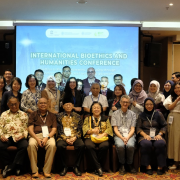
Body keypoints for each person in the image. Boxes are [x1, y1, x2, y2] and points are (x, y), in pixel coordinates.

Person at [27, 98, 57, 178]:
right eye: (41, 103)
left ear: (47, 105)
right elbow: (30, 129)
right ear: (37, 105)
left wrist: (46, 138)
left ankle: (46, 170)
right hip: (35, 135)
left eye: (44, 103)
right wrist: (37, 139)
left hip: (48, 136)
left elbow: (54, 129)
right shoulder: (33, 114)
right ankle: (34, 170)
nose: (43, 104)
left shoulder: (52, 115)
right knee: (31, 144)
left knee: (52, 145)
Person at [137, 97, 167, 175]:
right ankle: (147, 166)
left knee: (160, 144)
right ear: (144, 105)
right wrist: (145, 135)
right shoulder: (141, 115)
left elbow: (164, 125)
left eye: (151, 104)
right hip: (145, 135)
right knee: (146, 144)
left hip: (157, 135)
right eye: (147, 104)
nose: (149, 106)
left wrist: (160, 134)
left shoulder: (158, 114)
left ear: (153, 105)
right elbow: (138, 127)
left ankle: (160, 166)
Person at [0, 97, 28, 178]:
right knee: (0, 146)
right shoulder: (4, 114)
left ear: (18, 103)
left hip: (19, 136)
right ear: (8, 105)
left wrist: (23, 136)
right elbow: (0, 127)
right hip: (7, 136)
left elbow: (27, 128)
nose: (14, 106)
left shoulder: (24, 114)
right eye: (11, 104)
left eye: (15, 104)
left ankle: (13, 167)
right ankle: (8, 164)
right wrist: (1, 136)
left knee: (25, 145)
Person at [82, 102, 113, 177]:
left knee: (105, 145)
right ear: (91, 110)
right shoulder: (87, 118)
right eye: (94, 108)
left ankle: (96, 167)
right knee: (89, 145)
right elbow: (84, 129)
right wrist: (92, 131)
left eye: (98, 107)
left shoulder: (105, 118)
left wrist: (102, 135)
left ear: (101, 110)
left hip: (102, 137)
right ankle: (99, 167)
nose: (96, 109)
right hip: (90, 137)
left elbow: (109, 129)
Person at [56, 97, 84, 176]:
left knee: (81, 145)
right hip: (62, 137)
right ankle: (64, 166)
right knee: (59, 145)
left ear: (72, 106)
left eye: (70, 105)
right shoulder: (59, 116)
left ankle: (76, 166)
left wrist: (75, 137)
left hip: (75, 137)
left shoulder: (77, 116)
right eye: (66, 105)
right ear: (63, 106)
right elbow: (59, 129)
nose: (68, 106)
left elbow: (80, 129)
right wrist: (66, 139)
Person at [111, 95, 137, 175]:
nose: (125, 104)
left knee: (130, 145)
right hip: (119, 135)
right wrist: (122, 138)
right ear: (120, 102)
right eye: (123, 102)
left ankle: (129, 164)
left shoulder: (133, 114)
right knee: (120, 145)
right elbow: (115, 129)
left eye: (127, 102)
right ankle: (122, 165)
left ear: (129, 103)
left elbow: (133, 129)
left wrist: (127, 137)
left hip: (130, 135)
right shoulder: (115, 114)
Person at [163, 81, 180, 170]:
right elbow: (169, 107)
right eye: (176, 88)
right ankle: (175, 162)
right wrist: (177, 100)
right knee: (174, 140)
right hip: (173, 119)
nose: (177, 89)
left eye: (179, 87)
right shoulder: (171, 97)